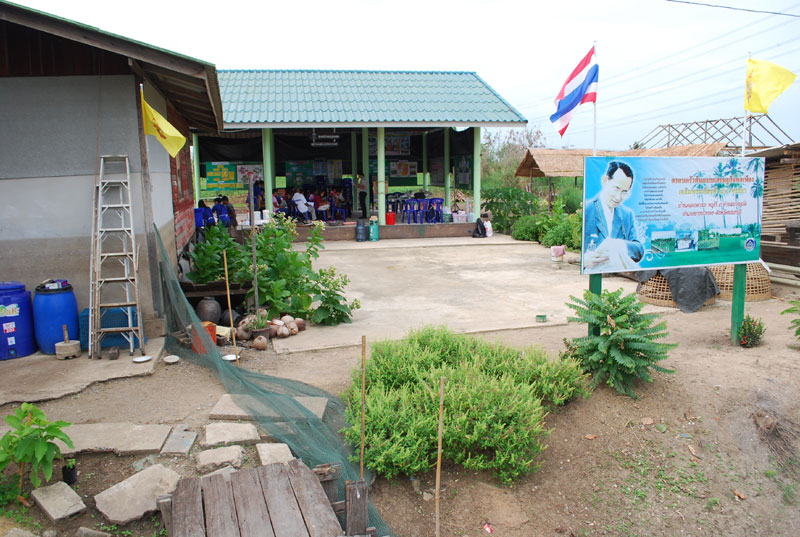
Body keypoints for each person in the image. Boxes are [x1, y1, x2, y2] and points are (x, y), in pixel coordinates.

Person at [582, 160, 644, 272]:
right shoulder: (587, 210)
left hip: (618, 276)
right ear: (605, 181)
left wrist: (619, 245)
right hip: (591, 274)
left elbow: (639, 250)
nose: (618, 197)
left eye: (624, 192)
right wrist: (582, 260)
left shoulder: (627, 215)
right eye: (616, 188)